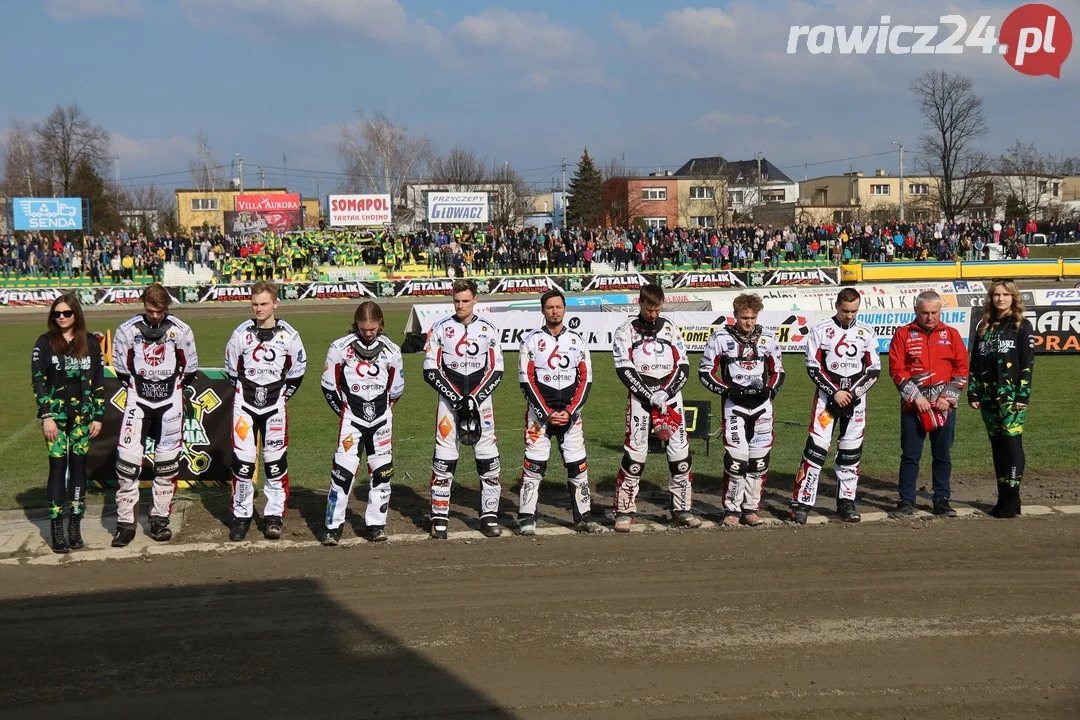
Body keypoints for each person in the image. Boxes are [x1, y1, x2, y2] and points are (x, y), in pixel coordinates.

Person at [111, 283, 199, 547]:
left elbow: (190, 367)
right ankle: (126, 523)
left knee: (167, 465)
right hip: (138, 401)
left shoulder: (181, 330)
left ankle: (160, 519)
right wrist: (142, 388)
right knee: (126, 466)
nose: (155, 316)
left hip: (170, 403)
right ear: (143, 305)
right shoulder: (127, 330)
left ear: (167, 308)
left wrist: (169, 389)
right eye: (151, 310)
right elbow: (121, 368)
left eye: (160, 311)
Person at [611, 284, 702, 532]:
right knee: (635, 457)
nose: (653, 314)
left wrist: (666, 392)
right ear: (639, 303)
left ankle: (682, 509)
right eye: (649, 309)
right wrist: (648, 394)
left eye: (658, 309)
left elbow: (683, 365)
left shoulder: (671, 328)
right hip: (641, 400)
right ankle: (624, 511)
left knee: (680, 456)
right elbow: (624, 369)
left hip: (670, 398)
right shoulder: (625, 330)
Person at [224, 280, 307, 541]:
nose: (258, 309)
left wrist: (281, 395)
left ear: (275, 304)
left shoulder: (289, 336)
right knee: (243, 464)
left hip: (275, 408)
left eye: (263, 304)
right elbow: (231, 369)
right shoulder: (240, 334)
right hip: (245, 407)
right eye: (254, 304)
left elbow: (297, 371)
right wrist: (246, 393)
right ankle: (241, 516)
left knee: (274, 464)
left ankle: (273, 516)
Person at [422, 278, 504, 539]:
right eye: (456, 301)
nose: (460, 305)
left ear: (475, 301)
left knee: (488, 460)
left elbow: (496, 369)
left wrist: (475, 399)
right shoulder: (440, 328)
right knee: (444, 460)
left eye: (465, 300)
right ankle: (439, 517)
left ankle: (489, 516)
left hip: (482, 403)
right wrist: (458, 398)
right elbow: (430, 369)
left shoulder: (489, 329)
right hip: (449, 404)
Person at [790, 287, 881, 524]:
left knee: (850, 455)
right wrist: (835, 392)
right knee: (816, 450)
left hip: (855, 402)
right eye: (845, 310)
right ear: (836, 305)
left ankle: (846, 503)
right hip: (826, 402)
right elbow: (813, 366)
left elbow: (874, 370)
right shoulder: (820, 330)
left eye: (854, 311)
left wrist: (851, 394)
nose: (850, 315)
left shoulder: (866, 332)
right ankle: (802, 502)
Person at [516, 289, 601, 535]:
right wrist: (545, 413)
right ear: (543, 310)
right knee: (534, 467)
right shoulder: (530, 340)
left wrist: (571, 412)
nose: (554, 311)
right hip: (539, 417)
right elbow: (526, 380)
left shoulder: (576, 340)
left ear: (564, 309)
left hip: (570, 416)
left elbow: (586, 379)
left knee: (578, 467)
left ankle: (583, 517)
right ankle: (526, 517)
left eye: (558, 307)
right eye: (550, 307)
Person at [320, 301, 405, 545]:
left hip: (381, 420)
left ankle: (376, 525)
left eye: (372, 328)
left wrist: (381, 413)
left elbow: (396, 389)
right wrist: (346, 412)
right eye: (363, 327)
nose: (368, 333)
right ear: (356, 323)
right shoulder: (339, 347)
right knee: (343, 474)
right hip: (350, 419)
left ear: (381, 323)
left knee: (382, 473)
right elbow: (329, 386)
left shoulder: (392, 350)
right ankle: (332, 528)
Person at [699, 293, 785, 527]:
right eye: (744, 317)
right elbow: (705, 372)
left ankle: (751, 509)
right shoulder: (720, 337)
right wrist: (727, 391)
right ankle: (732, 510)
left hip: (762, 407)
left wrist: (770, 390)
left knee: (758, 462)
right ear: (735, 315)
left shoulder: (767, 337)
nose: (748, 322)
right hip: (734, 406)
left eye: (752, 317)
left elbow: (779, 371)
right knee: (737, 462)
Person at [31, 294, 105, 553]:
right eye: (57, 314)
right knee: (57, 467)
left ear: (76, 314)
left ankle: (74, 525)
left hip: (83, 417)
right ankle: (56, 528)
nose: (61, 318)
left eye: (66, 313)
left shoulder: (91, 342)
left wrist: (98, 415)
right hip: (56, 418)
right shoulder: (45, 343)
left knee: (78, 467)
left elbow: (98, 380)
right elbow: (38, 380)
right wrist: (46, 416)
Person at [888, 290, 969, 517]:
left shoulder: (952, 335)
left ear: (940, 311)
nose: (929, 317)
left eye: (934, 312)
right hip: (913, 408)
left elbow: (961, 369)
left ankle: (942, 500)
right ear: (916, 311)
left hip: (944, 407)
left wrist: (947, 397)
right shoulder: (903, 334)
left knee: (942, 455)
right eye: (924, 313)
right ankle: (906, 501)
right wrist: (916, 397)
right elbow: (897, 370)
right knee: (910, 455)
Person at [967, 280, 1035, 519]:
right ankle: (1002, 496)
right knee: (997, 447)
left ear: (1013, 297)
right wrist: (972, 391)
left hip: (1011, 397)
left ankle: (1012, 497)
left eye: (1006, 294)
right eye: (996, 294)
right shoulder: (984, 326)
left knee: (1012, 444)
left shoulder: (1021, 325)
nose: (1001, 299)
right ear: (990, 298)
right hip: (987, 396)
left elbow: (1027, 363)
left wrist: (1023, 394)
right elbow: (975, 362)